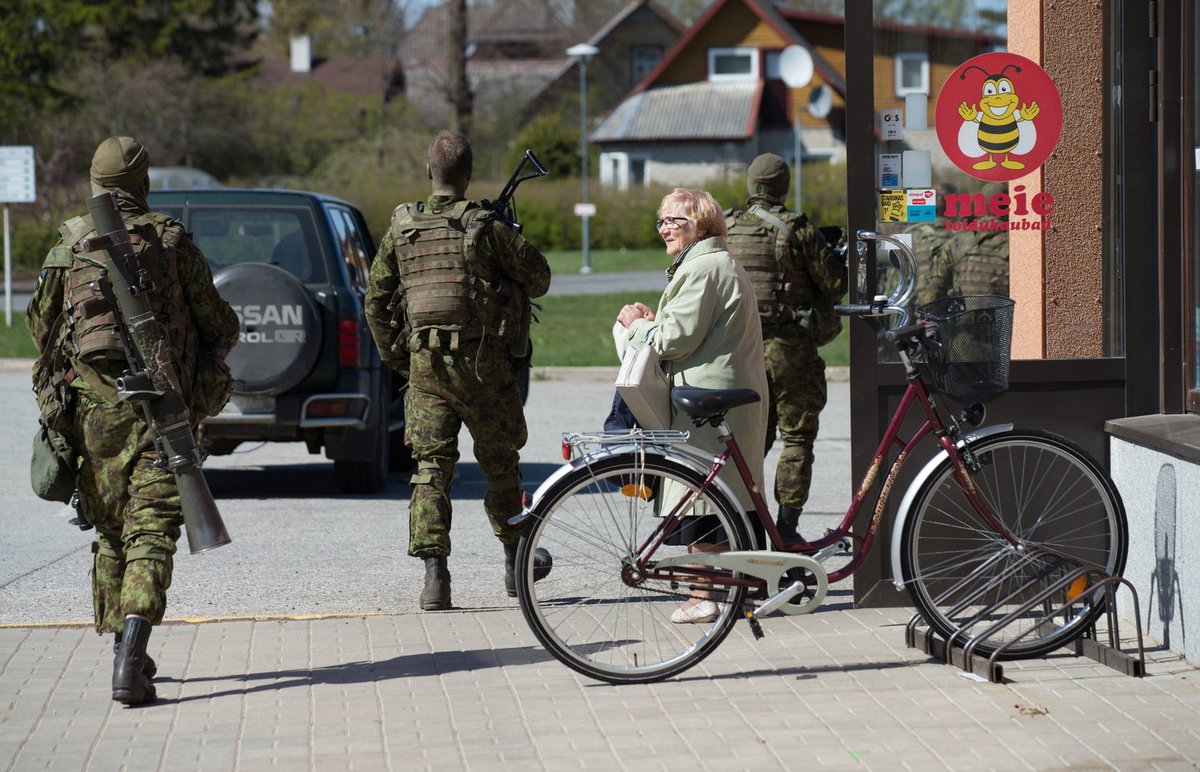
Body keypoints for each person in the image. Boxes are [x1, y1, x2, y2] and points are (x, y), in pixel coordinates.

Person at [26, 135, 239, 705]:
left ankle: (126, 649)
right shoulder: (169, 241)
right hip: (161, 412)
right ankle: (131, 653)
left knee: (113, 529)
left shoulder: (68, 247)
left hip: (94, 415)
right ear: (142, 184)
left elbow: (42, 332)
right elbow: (219, 322)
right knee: (153, 529)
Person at [365, 131, 552, 611]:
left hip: (426, 370)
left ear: (430, 173)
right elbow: (541, 278)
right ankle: (515, 566)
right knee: (500, 466)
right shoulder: (485, 228)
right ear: (467, 176)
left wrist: (398, 358)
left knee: (431, 471)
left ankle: (436, 579)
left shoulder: (402, 228)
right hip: (485, 366)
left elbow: (376, 303)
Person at [616, 187, 769, 623]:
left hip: (707, 398)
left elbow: (673, 340)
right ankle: (740, 594)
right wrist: (652, 322)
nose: (665, 227)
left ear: (700, 224)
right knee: (734, 496)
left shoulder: (702, 268)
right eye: (661, 220)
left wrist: (635, 327)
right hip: (731, 394)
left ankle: (704, 596)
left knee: (702, 498)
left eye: (674, 220)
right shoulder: (719, 262)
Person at [723, 153, 843, 543]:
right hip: (790, 351)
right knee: (796, 438)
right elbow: (834, 284)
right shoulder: (796, 230)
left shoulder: (725, 228)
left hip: (741, 349)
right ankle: (787, 530)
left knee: (752, 440)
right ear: (783, 186)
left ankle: (741, 525)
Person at [916, 182, 1010, 307]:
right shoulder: (1015, 246)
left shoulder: (956, 244)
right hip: (1004, 325)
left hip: (963, 324)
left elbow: (931, 297)